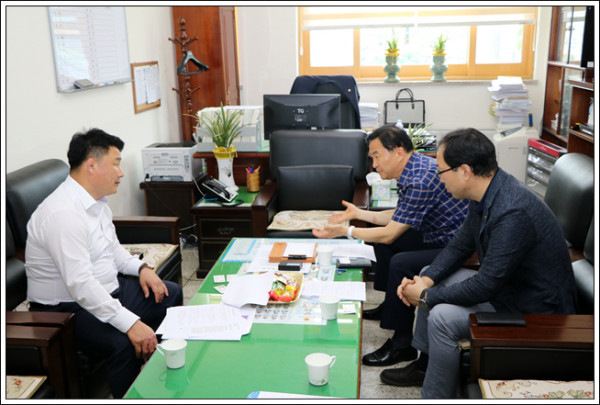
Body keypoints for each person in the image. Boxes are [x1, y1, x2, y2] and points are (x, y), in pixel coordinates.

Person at [381, 128, 577, 398]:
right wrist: (424, 282)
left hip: (532, 311)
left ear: (464, 171)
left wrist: (425, 296)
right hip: (508, 290)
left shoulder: (512, 211)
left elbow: (486, 284)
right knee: (428, 273)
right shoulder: (486, 192)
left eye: (441, 171)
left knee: (441, 317)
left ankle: (436, 396)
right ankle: (425, 366)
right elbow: (460, 245)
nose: (439, 178)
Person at [26, 128, 183, 398]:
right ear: (91, 166)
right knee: (122, 341)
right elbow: (81, 286)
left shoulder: (96, 202)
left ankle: (160, 378)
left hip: (106, 290)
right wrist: (131, 323)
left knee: (170, 294)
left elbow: (112, 249)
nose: (121, 173)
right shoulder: (63, 214)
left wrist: (142, 269)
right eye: (116, 164)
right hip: (66, 310)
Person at [312, 124, 468, 366]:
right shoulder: (414, 167)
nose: (374, 164)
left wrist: (346, 231)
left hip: (453, 245)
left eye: (377, 156)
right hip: (435, 232)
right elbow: (401, 215)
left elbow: (390, 233)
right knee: (385, 245)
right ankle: (390, 306)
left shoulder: (419, 180)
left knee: (399, 261)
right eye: (371, 158)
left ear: (398, 152)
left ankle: (402, 344)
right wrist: (359, 214)